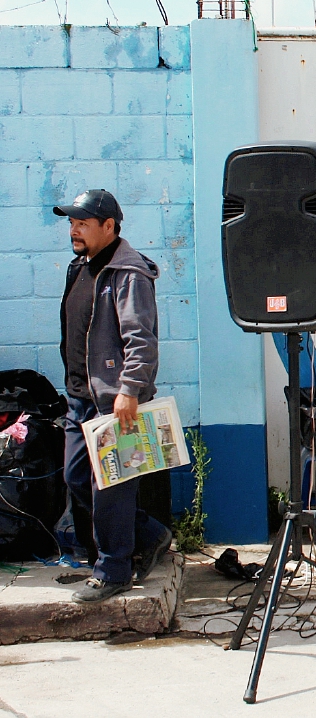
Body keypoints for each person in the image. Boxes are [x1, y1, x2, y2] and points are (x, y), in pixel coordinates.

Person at [55, 189, 173, 602]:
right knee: (75, 478)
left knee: (111, 489)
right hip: (80, 397)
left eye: (83, 224)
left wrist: (129, 389)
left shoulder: (129, 272)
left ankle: (114, 570)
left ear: (109, 226)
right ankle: (150, 534)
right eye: (72, 223)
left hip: (114, 401)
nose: (74, 230)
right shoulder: (80, 267)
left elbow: (141, 339)